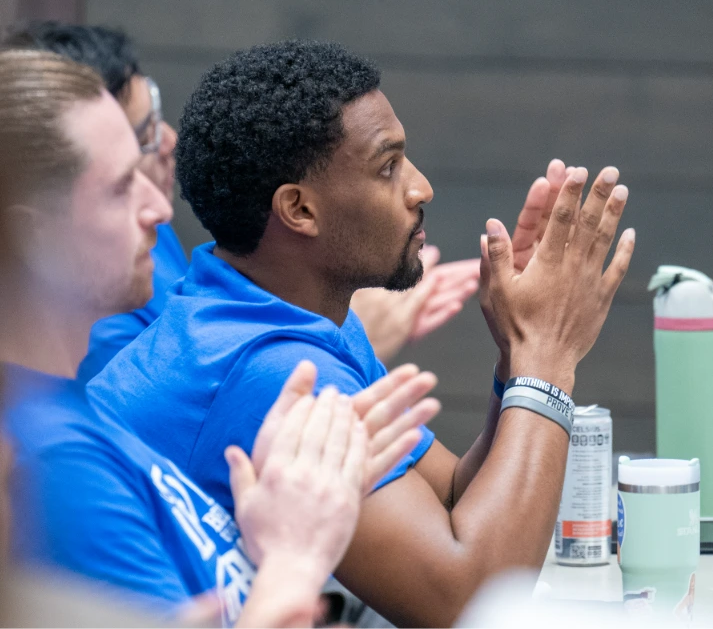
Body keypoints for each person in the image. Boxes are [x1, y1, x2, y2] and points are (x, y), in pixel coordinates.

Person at [88, 39, 635, 628]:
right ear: (299, 210)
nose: (420, 187)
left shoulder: (280, 313)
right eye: (388, 166)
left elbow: (449, 498)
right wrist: (546, 358)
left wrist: (517, 354)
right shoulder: (270, 371)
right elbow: (468, 606)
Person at [0, 49, 440, 626]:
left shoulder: (73, 411)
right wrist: (293, 558)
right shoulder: (53, 461)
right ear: (35, 237)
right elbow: (460, 597)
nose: (159, 209)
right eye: (120, 187)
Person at [3, 22, 480, 377]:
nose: (167, 140)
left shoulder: (158, 240)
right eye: (126, 172)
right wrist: (538, 349)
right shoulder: (253, 362)